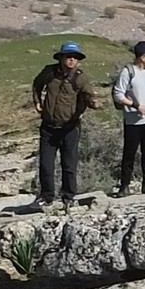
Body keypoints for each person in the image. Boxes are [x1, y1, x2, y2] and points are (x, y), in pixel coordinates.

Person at [30, 41, 98, 207]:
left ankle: (68, 197)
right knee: (46, 165)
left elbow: (89, 95)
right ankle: (46, 196)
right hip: (48, 127)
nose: (72, 60)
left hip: (70, 128)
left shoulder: (80, 78)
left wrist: (93, 103)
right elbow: (36, 84)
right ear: (61, 58)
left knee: (69, 165)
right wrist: (37, 102)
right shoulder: (49, 72)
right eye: (68, 56)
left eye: (75, 57)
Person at [113, 39, 145, 195]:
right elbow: (118, 94)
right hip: (133, 121)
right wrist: (136, 106)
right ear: (143, 57)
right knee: (130, 153)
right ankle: (124, 186)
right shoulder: (128, 72)